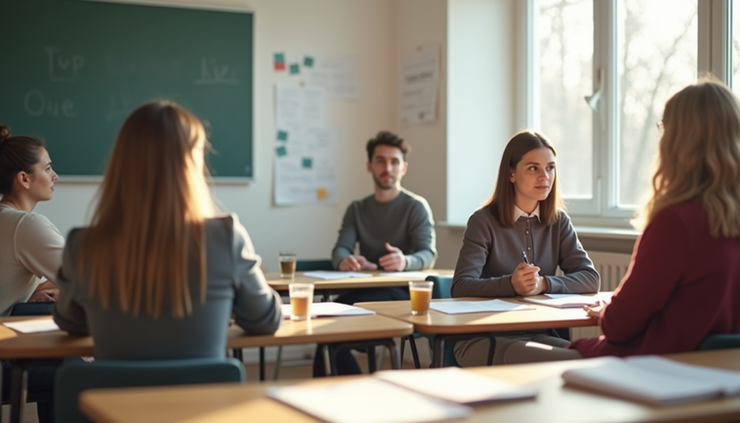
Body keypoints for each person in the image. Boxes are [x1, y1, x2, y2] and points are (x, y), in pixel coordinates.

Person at [504, 79, 740, 364]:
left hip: (656, 369)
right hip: (721, 372)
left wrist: (607, 310)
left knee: (517, 352)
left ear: (678, 141)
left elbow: (618, 326)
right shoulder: (725, 220)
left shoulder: (676, 223)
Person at [53, 101, 282, 361]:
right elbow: (265, 320)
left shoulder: (82, 245)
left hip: (115, 400)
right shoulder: (226, 236)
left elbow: (70, 321)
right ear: (191, 166)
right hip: (205, 400)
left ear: (121, 163)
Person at [451, 129, 599, 366]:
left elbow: (590, 278)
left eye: (550, 168)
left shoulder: (558, 222)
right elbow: (460, 286)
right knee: (571, 360)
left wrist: (544, 284)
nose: (545, 177)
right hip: (486, 337)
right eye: (533, 168)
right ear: (511, 174)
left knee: (596, 357)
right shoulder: (483, 221)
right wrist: (511, 284)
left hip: (540, 334)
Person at [313, 130, 437, 376]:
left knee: (328, 328)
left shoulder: (416, 206)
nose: (387, 167)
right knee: (325, 326)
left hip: (401, 294)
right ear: (369, 166)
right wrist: (345, 260)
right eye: (380, 161)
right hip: (363, 290)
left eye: (394, 162)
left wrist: (405, 261)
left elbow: (428, 254)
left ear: (404, 168)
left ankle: (348, 392)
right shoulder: (357, 209)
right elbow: (340, 248)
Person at [0, 125, 63, 423]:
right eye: (48, 168)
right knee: (75, 368)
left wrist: (33, 290)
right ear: (24, 179)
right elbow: (91, 279)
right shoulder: (25, 225)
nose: (55, 176)